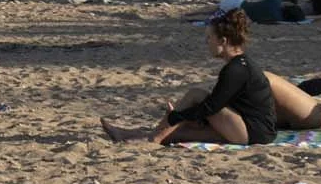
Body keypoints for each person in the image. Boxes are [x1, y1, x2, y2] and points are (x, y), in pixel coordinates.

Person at [102, 9, 275, 146]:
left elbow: (210, 107)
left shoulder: (235, 70)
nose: (207, 43)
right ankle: (126, 134)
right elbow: (217, 105)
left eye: (209, 38)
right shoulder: (241, 64)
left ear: (222, 41)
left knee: (195, 95)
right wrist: (184, 117)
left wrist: (178, 116)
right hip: (253, 129)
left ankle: (152, 139)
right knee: (180, 131)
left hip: (252, 133)